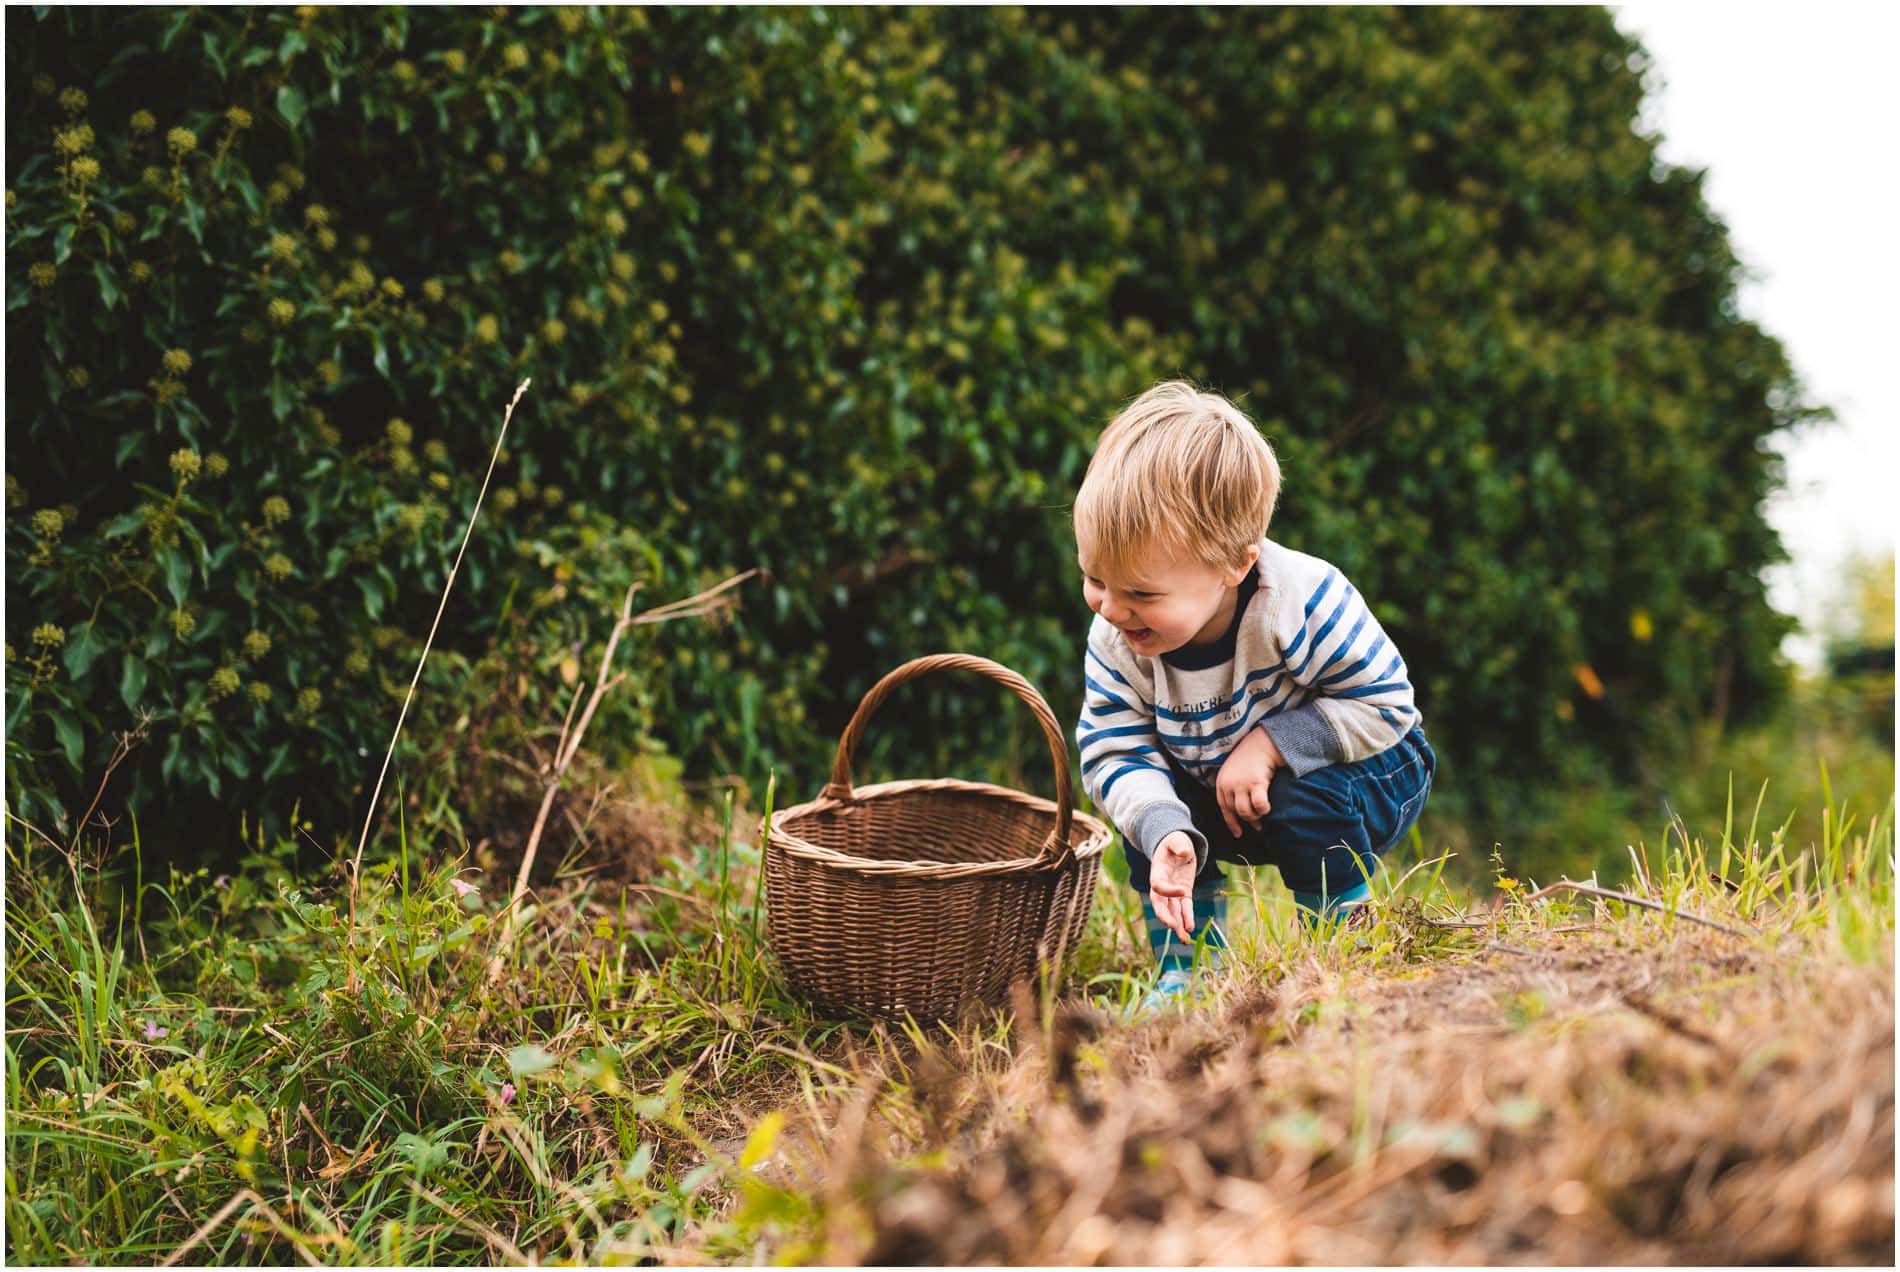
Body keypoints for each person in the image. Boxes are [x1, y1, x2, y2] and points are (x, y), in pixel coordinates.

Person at [1071, 381, 1435, 1010]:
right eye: (1094, 578)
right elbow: (1112, 750)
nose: (1113, 607)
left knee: (1304, 793)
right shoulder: (1116, 635)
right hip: (1225, 791)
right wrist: (1163, 831)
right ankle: (1189, 971)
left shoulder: (1300, 600)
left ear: (1234, 568)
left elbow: (1386, 704)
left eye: (1143, 594)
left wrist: (1271, 746)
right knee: (1146, 810)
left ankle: (1343, 946)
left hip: (1370, 772)